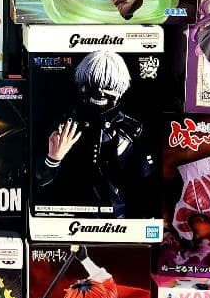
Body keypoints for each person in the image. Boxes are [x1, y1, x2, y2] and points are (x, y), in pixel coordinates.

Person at [32, 51, 156, 218]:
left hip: (117, 216)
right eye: (92, 84)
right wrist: (53, 158)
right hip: (70, 215)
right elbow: (38, 182)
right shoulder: (64, 125)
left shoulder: (131, 129)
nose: (99, 92)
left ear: (120, 89)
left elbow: (147, 183)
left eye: (108, 86)